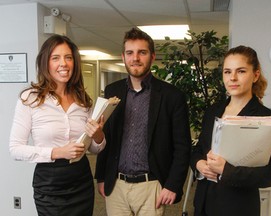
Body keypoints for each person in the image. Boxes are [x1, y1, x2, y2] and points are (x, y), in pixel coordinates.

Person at [95, 27, 191, 215]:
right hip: (116, 185)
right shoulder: (112, 91)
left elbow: (183, 147)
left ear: (152, 57)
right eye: (130, 53)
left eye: (142, 52)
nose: (135, 58)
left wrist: (172, 184)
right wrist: (101, 176)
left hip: (151, 186)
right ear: (123, 57)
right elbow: (106, 136)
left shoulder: (172, 96)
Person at [9, 34, 106, 216]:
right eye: (56, 58)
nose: (63, 63)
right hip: (49, 183)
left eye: (68, 58)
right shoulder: (30, 98)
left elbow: (94, 149)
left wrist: (99, 136)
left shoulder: (84, 101)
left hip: (81, 180)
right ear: (46, 63)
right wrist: (57, 152)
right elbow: (15, 149)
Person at [190, 45, 271, 216]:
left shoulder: (266, 118)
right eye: (227, 72)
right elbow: (198, 150)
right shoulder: (213, 111)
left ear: (255, 75)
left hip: (238, 206)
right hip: (204, 202)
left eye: (241, 71)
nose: (232, 78)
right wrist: (199, 164)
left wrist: (227, 171)